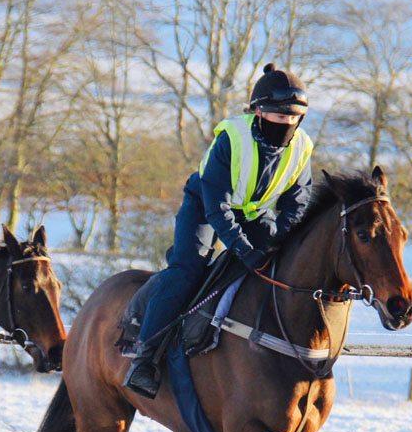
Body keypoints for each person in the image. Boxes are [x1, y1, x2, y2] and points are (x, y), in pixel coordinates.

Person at [123, 63, 314, 399]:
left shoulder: (302, 146)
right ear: (258, 111)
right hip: (206, 207)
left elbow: (297, 205)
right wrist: (244, 249)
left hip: (254, 214)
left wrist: (278, 243)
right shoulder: (232, 138)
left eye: (294, 118)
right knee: (187, 268)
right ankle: (144, 357)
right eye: (280, 116)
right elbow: (217, 208)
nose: (287, 124)